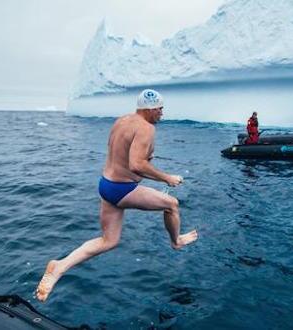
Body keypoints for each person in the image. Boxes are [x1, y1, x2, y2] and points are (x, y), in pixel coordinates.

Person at [35, 89, 198, 302]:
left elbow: (121, 153)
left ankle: (60, 266)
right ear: (150, 109)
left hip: (106, 185)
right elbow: (136, 164)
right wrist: (166, 178)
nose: (162, 113)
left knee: (108, 241)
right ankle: (176, 241)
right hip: (123, 189)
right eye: (160, 109)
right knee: (172, 204)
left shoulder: (122, 121)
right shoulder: (146, 128)